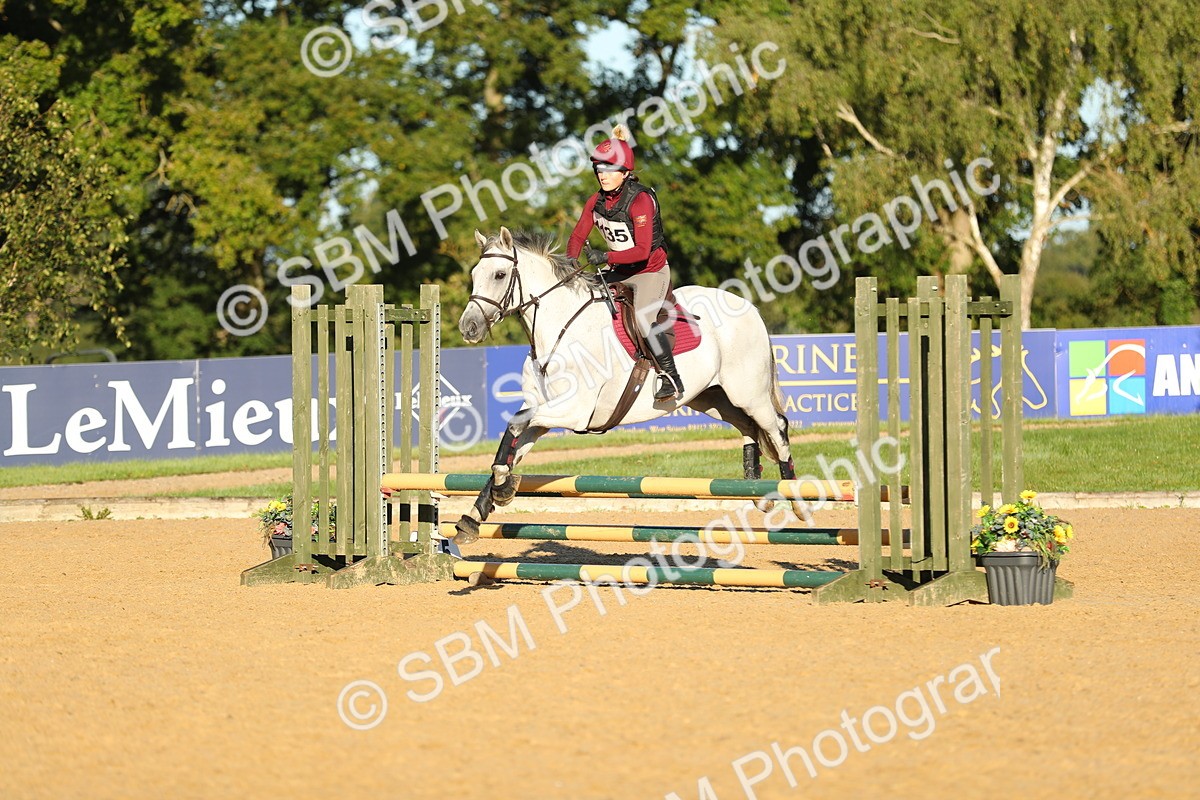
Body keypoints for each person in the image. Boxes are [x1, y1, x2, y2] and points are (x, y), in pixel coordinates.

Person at [566, 125, 684, 400]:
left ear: (625, 172)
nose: (602, 175)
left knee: (644, 319)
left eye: (609, 170)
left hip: (649, 271)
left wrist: (606, 256)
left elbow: (642, 251)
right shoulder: (595, 201)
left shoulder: (640, 200)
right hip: (618, 270)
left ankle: (671, 377)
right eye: (599, 169)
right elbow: (576, 236)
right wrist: (571, 262)